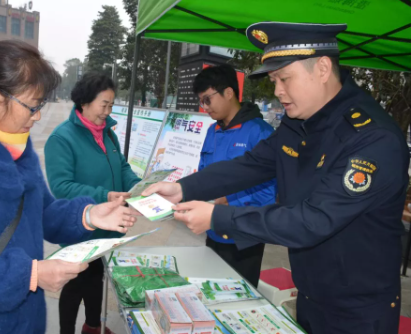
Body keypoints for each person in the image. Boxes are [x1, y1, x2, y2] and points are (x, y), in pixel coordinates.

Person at [143, 22, 409, 334]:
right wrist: (182, 188)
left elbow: (312, 220)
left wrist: (218, 217)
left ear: (322, 68)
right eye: (273, 80)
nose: (278, 90)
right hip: (310, 294)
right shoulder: (300, 122)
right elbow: (251, 164)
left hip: (358, 310)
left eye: (284, 79)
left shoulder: (371, 138)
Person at [0, 41, 137, 334]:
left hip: (25, 322)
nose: (39, 115)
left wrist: (89, 215)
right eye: (33, 105)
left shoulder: (17, 146)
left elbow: (43, 213)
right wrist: (29, 275)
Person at [45, 73, 140, 334]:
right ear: (85, 102)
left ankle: (93, 326)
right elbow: (61, 187)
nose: (108, 111)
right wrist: (105, 196)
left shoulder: (108, 133)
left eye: (112, 105)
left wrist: (139, 185)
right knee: (76, 281)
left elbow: (121, 166)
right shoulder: (62, 138)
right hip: (80, 223)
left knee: (95, 275)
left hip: (107, 225)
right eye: (104, 105)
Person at [194, 64, 276, 287]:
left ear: (228, 93)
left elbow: (271, 192)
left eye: (207, 100)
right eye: (201, 101)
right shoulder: (213, 131)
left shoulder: (260, 133)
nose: (205, 107)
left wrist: (227, 200)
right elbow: (204, 173)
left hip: (244, 238)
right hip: (213, 231)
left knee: (238, 301)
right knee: (209, 293)